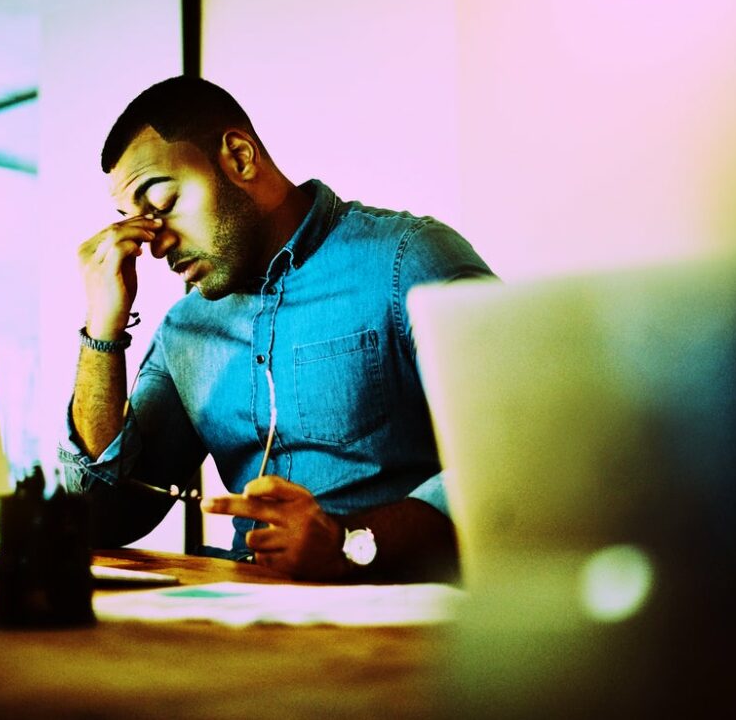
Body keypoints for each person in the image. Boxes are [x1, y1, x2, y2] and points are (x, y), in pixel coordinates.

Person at [57, 76, 494, 582]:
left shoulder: (408, 261)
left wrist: (348, 542)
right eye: (137, 222)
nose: (155, 244)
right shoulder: (186, 330)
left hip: (401, 627)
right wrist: (102, 329)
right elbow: (100, 518)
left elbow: (521, 458)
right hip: (245, 626)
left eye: (163, 202)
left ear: (239, 157)